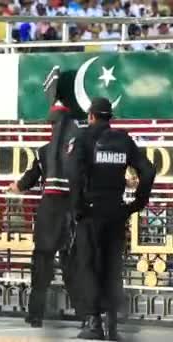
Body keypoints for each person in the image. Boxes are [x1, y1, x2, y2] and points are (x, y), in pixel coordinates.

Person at [69, 97, 156, 340]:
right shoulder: (123, 140)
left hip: (91, 212)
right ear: (110, 118)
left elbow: (74, 175)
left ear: (91, 116)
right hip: (116, 211)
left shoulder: (83, 139)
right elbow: (148, 170)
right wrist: (138, 202)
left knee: (89, 265)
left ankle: (95, 324)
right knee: (112, 266)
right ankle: (113, 326)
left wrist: (77, 207)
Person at [8, 103, 80, 327]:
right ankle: (85, 315)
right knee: (73, 263)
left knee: (41, 263)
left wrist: (17, 186)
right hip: (71, 209)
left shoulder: (43, 151)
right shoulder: (77, 150)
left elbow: (30, 177)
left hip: (49, 210)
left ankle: (35, 315)